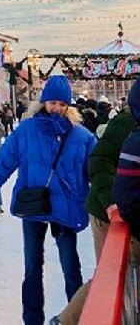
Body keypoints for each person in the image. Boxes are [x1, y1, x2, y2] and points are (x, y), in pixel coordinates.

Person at [0, 75, 96, 325]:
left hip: (65, 209)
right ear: (43, 103)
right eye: (52, 103)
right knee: (32, 266)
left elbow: (97, 170)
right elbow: (3, 162)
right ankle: (32, 319)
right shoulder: (27, 130)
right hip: (34, 206)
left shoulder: (81, 136)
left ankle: (77, 317)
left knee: (70, 265)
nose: (57, 109)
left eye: (62, 104)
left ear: (69, 106)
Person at [57, 79, 140, 324]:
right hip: (108, 213)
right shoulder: (125, 124)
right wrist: (110, 200)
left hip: (131, 208)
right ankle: (66, 320)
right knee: (111, 276)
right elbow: (98, 160)